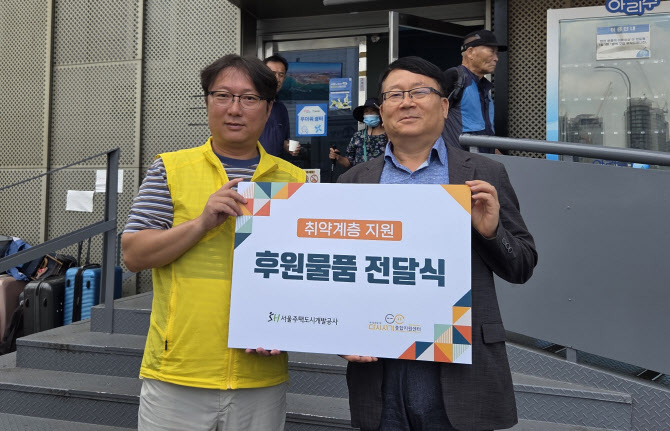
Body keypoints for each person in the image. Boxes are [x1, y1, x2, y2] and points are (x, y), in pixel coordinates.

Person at [337, 56, 537, 431]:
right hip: (380, 364)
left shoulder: (484, 173)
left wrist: (491, 232)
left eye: (419, 92)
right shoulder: (353, 181)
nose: (406, 102)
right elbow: (337, 273)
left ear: (444, 106)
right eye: (395, 95)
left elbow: (522, 265)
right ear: (382, 110)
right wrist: (340, 333)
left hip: (461, 363)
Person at [122, 54, 306, 431]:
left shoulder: (295, 181)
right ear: (207, 101)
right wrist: (202, 223)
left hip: (260, 375)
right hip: (178, 371)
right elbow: (134, 254)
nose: (234, 109)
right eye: (222, 95)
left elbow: (309, 272)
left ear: (269, 108)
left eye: (249, 98)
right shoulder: (170, 168)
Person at [442, 29, 507, 154]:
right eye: (491, 52)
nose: (496, 58)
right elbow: (429, 117)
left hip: (481, 162)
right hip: (458, 162)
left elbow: (485, 135)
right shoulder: (454, 77)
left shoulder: (483, 87)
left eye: (497, 53)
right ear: (470, 52)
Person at [259, 54, 300, 158]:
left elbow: (283, 141)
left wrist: (289, 147)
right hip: (251, 166)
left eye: (281, 75)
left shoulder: (281, 109)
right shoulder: (249, 103)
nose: (277, 79)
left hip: (275, 165)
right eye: (272, 73)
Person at [329, 97, 387, 169]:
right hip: (362, 175)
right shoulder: (358, 136)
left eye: (373, 111)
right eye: (366, 112)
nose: (369, 114)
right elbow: (349, 162)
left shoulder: (390, 136)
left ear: (380, 113)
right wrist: (337, 157)